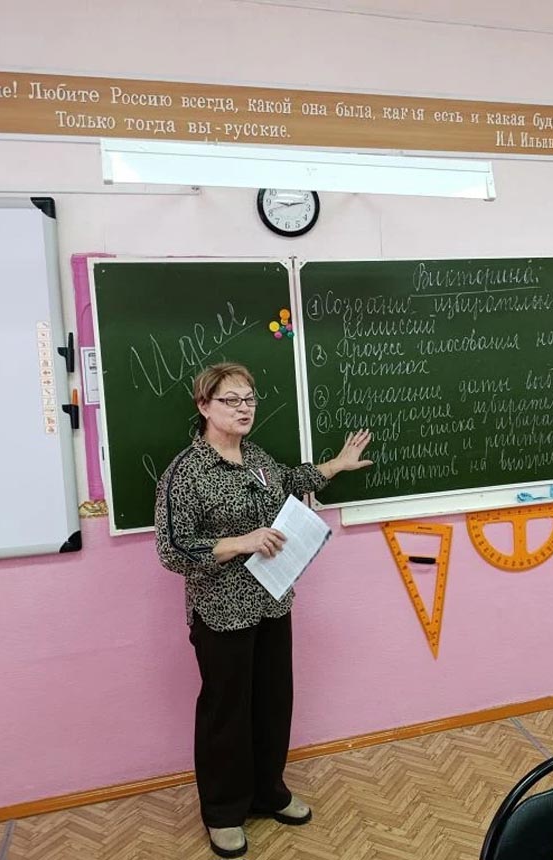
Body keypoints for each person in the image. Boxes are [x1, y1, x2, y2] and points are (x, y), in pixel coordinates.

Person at [155, 362, 373, 858]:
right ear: (203, 406)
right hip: (222, 611)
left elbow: (289, 481)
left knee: (274, 702)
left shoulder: (256, 457)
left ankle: (268, 792)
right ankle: (224, 812)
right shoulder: (185, 473)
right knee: (226, 712)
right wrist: (241, 541)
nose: (244, 408)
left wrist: (335, 465)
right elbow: (172, 550)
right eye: (231, 400)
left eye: (249, 399)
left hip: (273, 600)